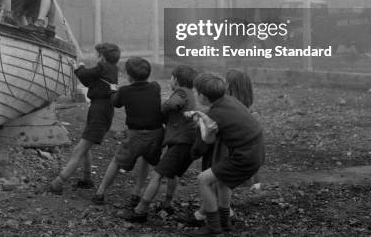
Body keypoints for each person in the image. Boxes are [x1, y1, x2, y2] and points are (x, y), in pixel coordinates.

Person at [186, 73, 265, 236]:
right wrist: (202, 119)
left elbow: (205, 143)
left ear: (202, 95)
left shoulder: (215, 114)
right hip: (256, 151)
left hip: (245, 156)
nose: (195, 94)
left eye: (196, 92)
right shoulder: (230, 101)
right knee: (221, 182)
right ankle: (225, 222)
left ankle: (214, 227)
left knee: (203, 179)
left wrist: (193, 150)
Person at [123, 64, 198, 223]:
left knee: (157, 174)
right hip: (188, 142)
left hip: (180, 142)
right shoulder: (191, 93)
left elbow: (173, 104)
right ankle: (167, 203)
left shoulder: (181, 92)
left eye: (171, 78)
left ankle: (140, 211)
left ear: (176, 79)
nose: (170, 81)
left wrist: (162, 110)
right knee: (173, 174)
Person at [49, 42, 120, 195]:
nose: (96, 56)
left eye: (97, 54)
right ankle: (87, 179)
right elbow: (88, 81)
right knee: (86, 145)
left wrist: (77, 67)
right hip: (102, 110)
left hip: (99, 112)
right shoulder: (112, 69)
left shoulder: (102, 67)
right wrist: (79, 69)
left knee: (79, 149)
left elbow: (84, 75)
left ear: (102, 57)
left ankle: (58, 182)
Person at [91, 57, 164, 206]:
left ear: (129, 76)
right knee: (147, 160)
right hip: (156, 133)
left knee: (117, 161)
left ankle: (100, 192)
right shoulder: (155, 87)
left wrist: (113, 91)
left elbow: (116, 103)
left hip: (135, 135)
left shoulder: (124, 91)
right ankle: (136, 193)